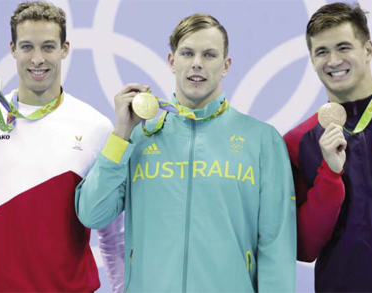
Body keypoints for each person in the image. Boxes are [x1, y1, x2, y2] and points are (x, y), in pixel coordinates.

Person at [75, 13, 296, 292]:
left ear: (226, 65)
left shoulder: (263, 141)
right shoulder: (137, 137)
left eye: (209, 55)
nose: (197, 64)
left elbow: (276, 245)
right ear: (172, 61)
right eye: (187, 53)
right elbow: (92, 214)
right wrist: (121, 134)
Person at [0, 2, 124, 292]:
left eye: (48, 47)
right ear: (12, 49)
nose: (37, 59)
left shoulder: (95, 127)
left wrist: (121, 287)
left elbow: (114, 236)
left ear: (65, 48)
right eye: (27, 47)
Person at [283, 2, 372, 292]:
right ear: (311, 59)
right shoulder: (298, 141)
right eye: (322, 51)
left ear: (368, 50)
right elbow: (305, 247)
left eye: (343, 47)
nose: (333, 60)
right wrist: (330, 175)